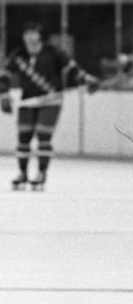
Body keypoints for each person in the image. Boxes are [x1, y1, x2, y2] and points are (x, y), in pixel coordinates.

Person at [0, 22, 98, 191]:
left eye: (33, 33)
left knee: (43, 135)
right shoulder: (19, 55)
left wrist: (87, 79)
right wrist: (4, 94)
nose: (30, 37)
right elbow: (4, 75)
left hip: (51, 99)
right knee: (23, 137)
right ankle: (22, 173)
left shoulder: (53, 53)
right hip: (27, 101)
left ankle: (41, 173)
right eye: (27, 33)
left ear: (40, 36)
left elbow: (72, 69)